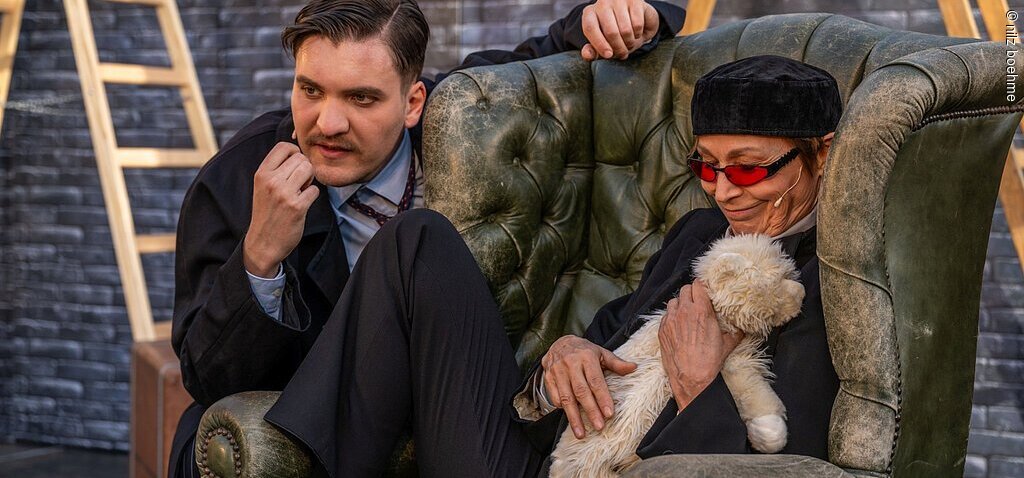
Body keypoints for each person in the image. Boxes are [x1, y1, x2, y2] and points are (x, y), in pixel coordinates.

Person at [169, 1, 687, 477]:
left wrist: (622, 15)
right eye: (310, 90)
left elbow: (543, 55)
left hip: (455, 411)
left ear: (413, 102)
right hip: (314, 419)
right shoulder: (242, 175)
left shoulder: (465, 115)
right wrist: (260, 258)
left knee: (416, 239)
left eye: (361, 97)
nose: (327, 122)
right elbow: (207, 379)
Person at [257, 55, 841, 477]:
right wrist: (561, 358)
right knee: (417, 239)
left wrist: (699, 387)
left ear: (822, 152)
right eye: (707, 167)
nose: (723, 192)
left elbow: (792, 460)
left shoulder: (836, 278)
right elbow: (608, 342)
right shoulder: (699, 233)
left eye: (748, 169)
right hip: (549, 457)